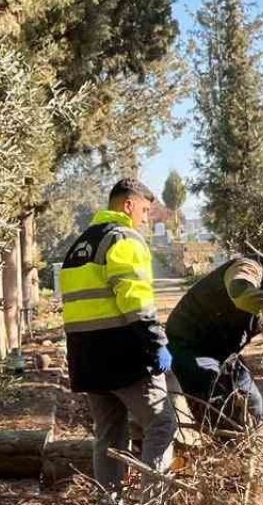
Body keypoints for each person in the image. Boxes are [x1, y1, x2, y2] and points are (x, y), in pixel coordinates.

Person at [60, 178, 176, 496]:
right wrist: (157, 343)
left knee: (109, 435)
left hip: (86, 359)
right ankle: (154, 501)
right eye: (144, 209)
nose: (146, 217)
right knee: (162, 425)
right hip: (123, 356)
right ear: (128, 204)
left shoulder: (80, 245)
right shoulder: (124, 239)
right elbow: (135, 300)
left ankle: (108, 500)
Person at [165, 233, 263, 431]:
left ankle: (244, 453)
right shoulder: (249, 267)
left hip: (224, 352)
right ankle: (223, 456)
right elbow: (240, 292)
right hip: (192, 347)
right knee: (219, 409)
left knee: (253, 404)